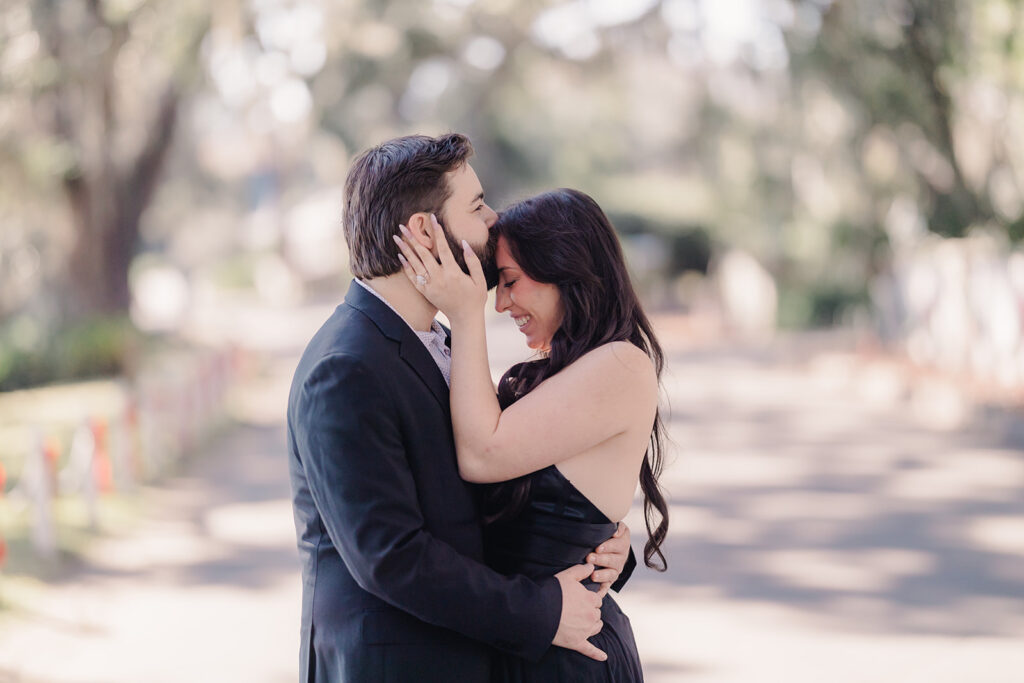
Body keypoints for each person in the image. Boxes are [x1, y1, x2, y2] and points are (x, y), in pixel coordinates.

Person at [286, 135, 636, 683]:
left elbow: (501, 493)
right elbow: (392, 558)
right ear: (425, 232)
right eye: (476, 206)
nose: (494, 218)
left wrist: (597, 544)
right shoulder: (346, 367)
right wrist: (543, 611)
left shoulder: (440, 342)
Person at [395, 188, 670, 682]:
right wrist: (605, 543)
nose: (500, 303)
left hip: (567, 659)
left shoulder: (622, 364)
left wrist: (464, 314)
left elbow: (482, 455)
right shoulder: (562, 372)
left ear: (566, 269)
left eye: (509, 281)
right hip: (524, 641)